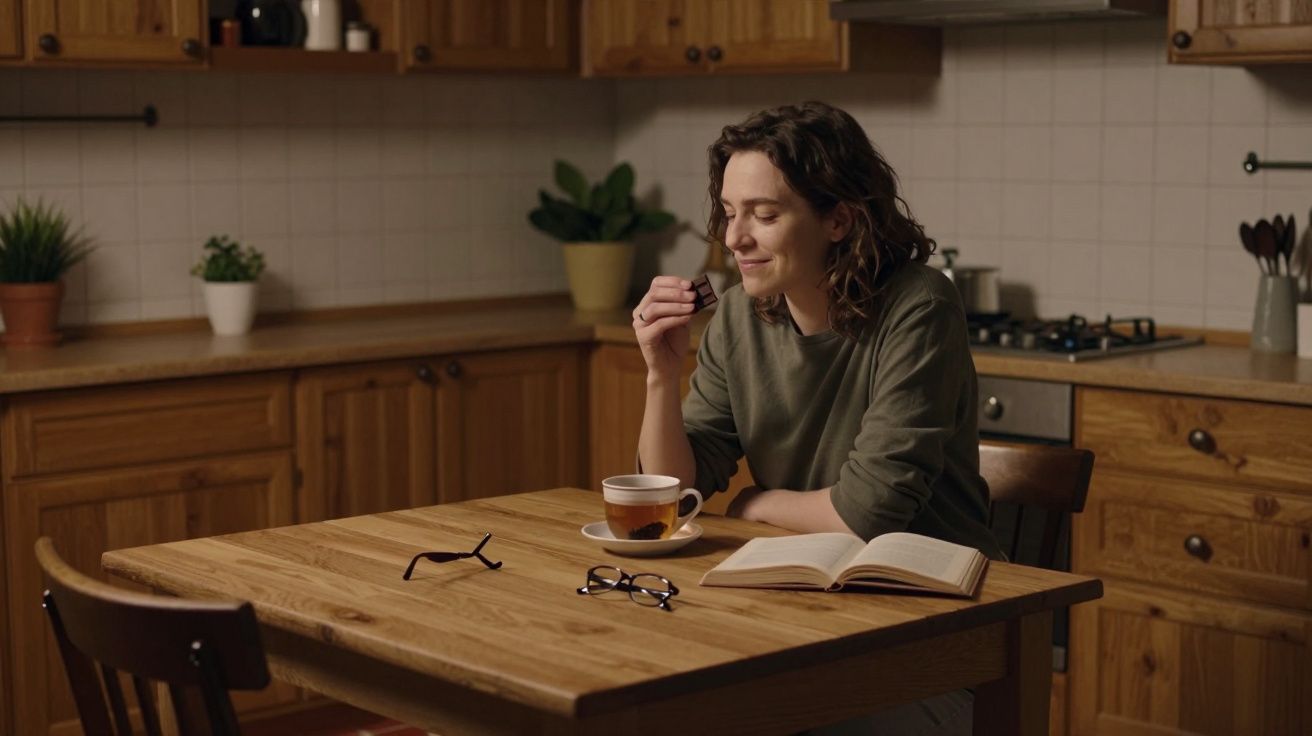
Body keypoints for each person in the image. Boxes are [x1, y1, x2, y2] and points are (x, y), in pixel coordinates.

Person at [631, 101, 1002, 735]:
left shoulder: (919, 306)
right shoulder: (740, 317)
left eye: (764, 215)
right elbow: (670, 497)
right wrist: (661, 377)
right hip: (800, 611)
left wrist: (757, 503)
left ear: (839, 220)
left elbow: (868, 514)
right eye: (729, 212)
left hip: (929, 634)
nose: (734, 238)